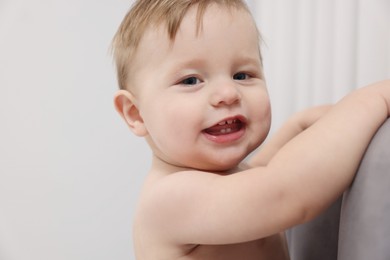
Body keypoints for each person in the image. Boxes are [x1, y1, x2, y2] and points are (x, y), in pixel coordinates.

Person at [111, 0, 390, 259]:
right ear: (136, 114)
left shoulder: (223, 179)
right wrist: (373, 99)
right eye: (191, 80)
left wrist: (297, 126)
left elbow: (255, 173)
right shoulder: (169, 200)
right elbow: (285, 193)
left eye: (242, 75)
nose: (228, 93)